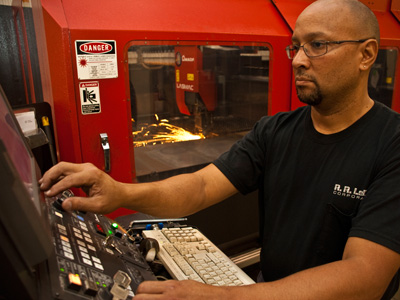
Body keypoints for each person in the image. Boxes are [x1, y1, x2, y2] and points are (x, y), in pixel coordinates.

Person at [39, 0, 400, 299]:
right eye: (296, 46)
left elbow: (365, 276)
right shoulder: (275, 130)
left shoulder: (392, 144)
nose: (298, 60)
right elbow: (201, 187)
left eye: (317, 46)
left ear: (366, 54)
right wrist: (119, 192)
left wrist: (221, 295)